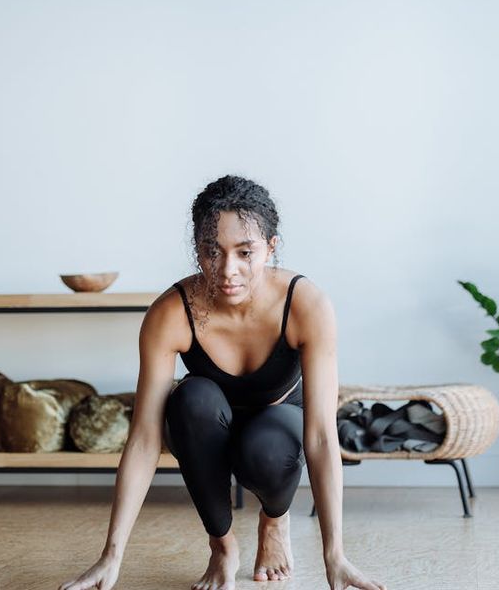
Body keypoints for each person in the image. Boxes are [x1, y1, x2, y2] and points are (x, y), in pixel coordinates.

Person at [58, 176, 386, 590]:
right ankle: (222, 546)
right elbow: (144, 438)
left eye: (245, 252)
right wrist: (111, 555)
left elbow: (320, 435)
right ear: (198, 251)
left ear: (271, 246)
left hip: (278, 427)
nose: (228, 270)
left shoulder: (305, 304)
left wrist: (334, 555)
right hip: (206, 425)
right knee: (190, 398)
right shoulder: (171, 313)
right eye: (213, 252)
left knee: (266, 448)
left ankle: (274, 521)